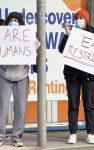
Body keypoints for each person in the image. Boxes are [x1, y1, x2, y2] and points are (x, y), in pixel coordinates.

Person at [59, 9, 94, 144]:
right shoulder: (70, 33)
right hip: (73, 75)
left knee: (89, 104)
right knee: (73, 104)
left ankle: (90, 133)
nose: (79, 20)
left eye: (81, 18)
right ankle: (73, 133)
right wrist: (66, 35)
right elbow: (62, 50)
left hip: (89, 76)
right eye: (77, 18)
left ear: (86, 20)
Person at [0, 12, 29, 147]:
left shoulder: (27, 37)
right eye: (11, 20)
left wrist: (35, 46)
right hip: (4, 75)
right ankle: (0, 136)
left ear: (20, 23)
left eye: (16, 20)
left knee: (20, 109)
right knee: (2, 108)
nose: (13, 22)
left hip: (22, 76)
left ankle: (16, 137)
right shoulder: (1, 37)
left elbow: (35, 55)